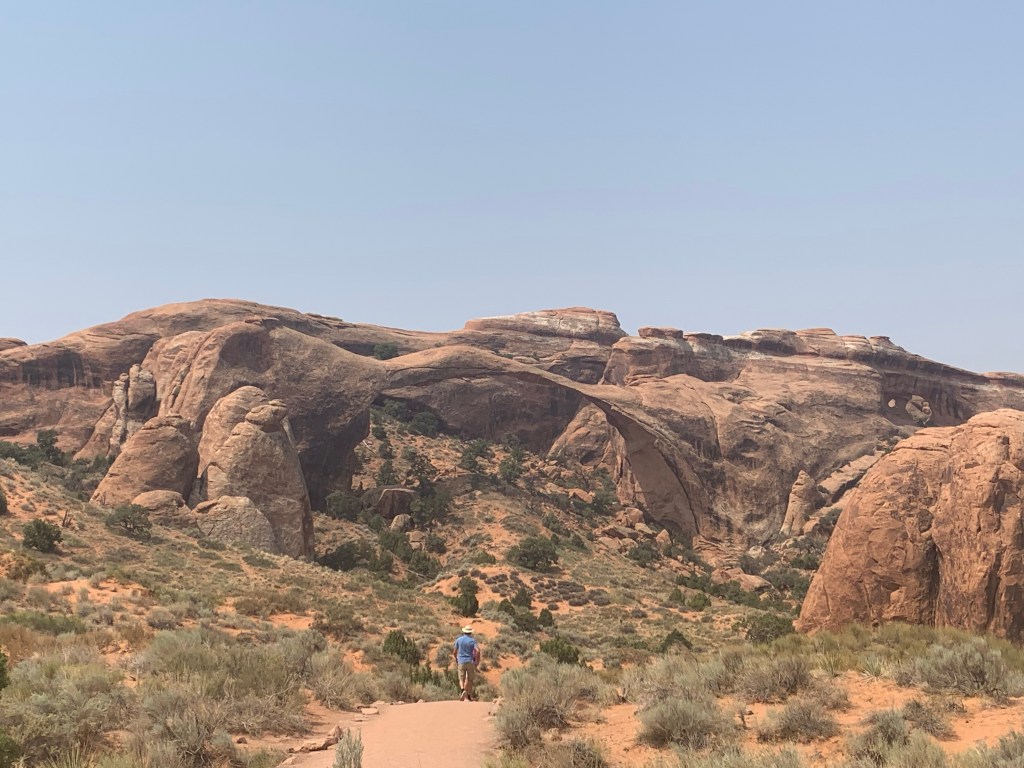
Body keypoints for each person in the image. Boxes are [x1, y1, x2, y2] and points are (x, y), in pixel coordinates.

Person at [452, 625, 481, 701]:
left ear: (464, 631)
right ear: (470, 632)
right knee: (470, 679)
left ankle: (462, 690)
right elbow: (478, 651)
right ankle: (469, 696)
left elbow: (454, 652)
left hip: (461, 661)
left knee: (461, 678)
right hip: (470, 661)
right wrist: (476, 660)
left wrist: (456, 658)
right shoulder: (472, 641)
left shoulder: (458, 640)